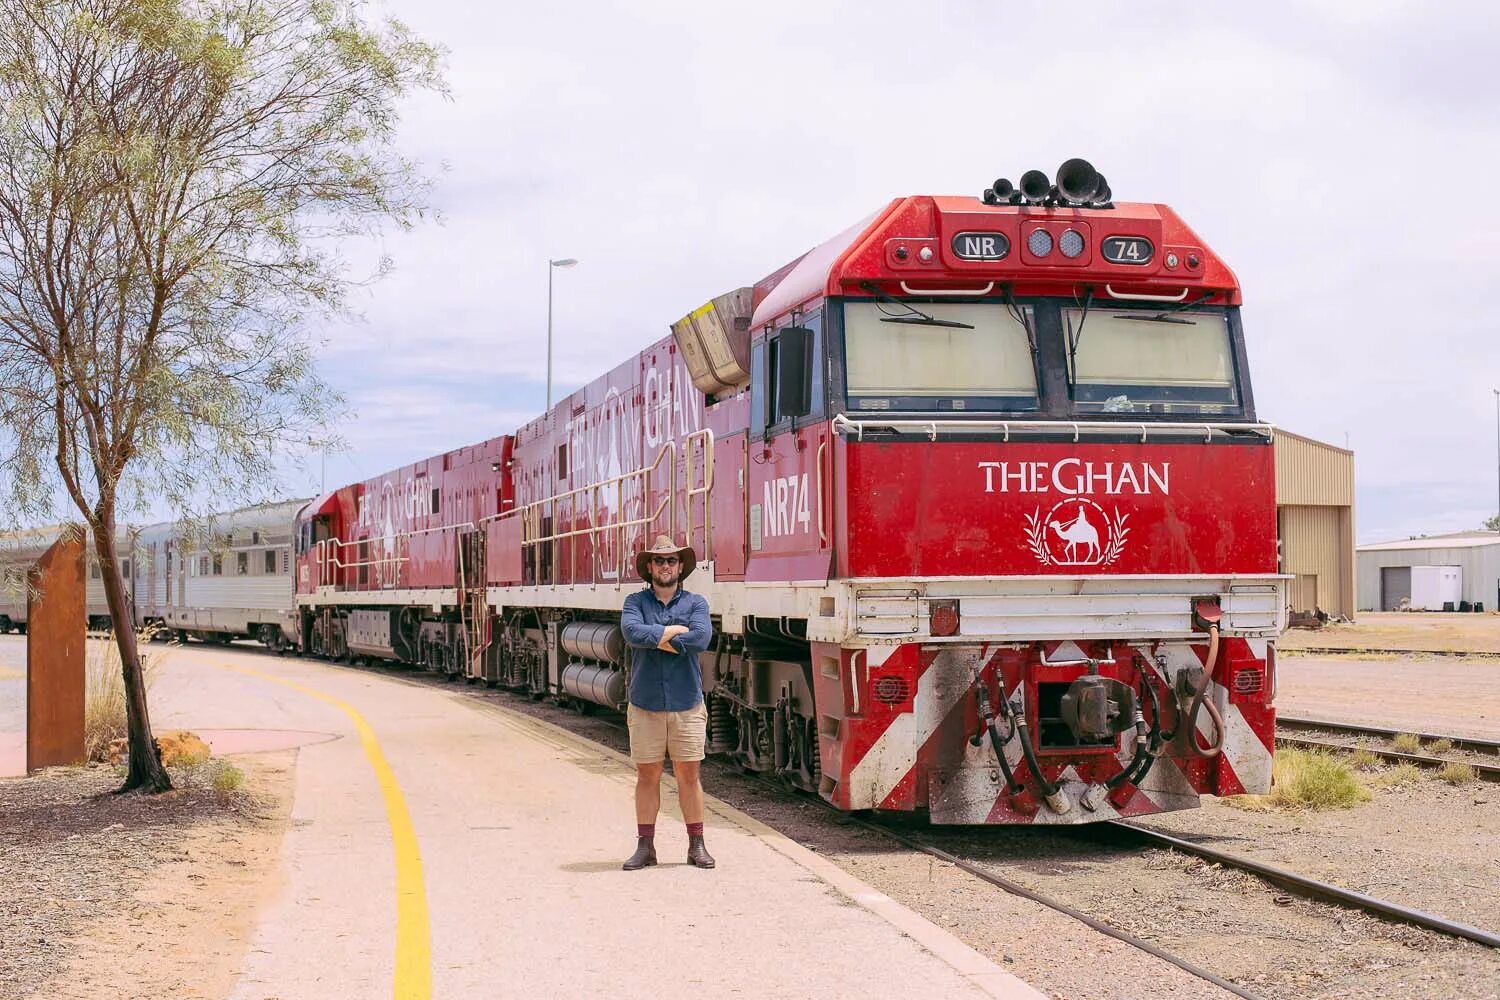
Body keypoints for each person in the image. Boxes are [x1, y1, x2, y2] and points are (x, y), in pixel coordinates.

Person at [618, 534, 715, 871]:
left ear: (680, 567)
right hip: (646, 703)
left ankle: (696, 846)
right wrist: (674, 631)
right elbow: (631, 633)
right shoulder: (634, 602)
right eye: (659, 561)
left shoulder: (697, 603)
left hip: (686, 703)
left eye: (671, 561)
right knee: (647, 775)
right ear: (650, 567)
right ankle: (645, 847)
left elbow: (701, 637)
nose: (665, 566)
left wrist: (655, 635)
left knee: (689, 775)